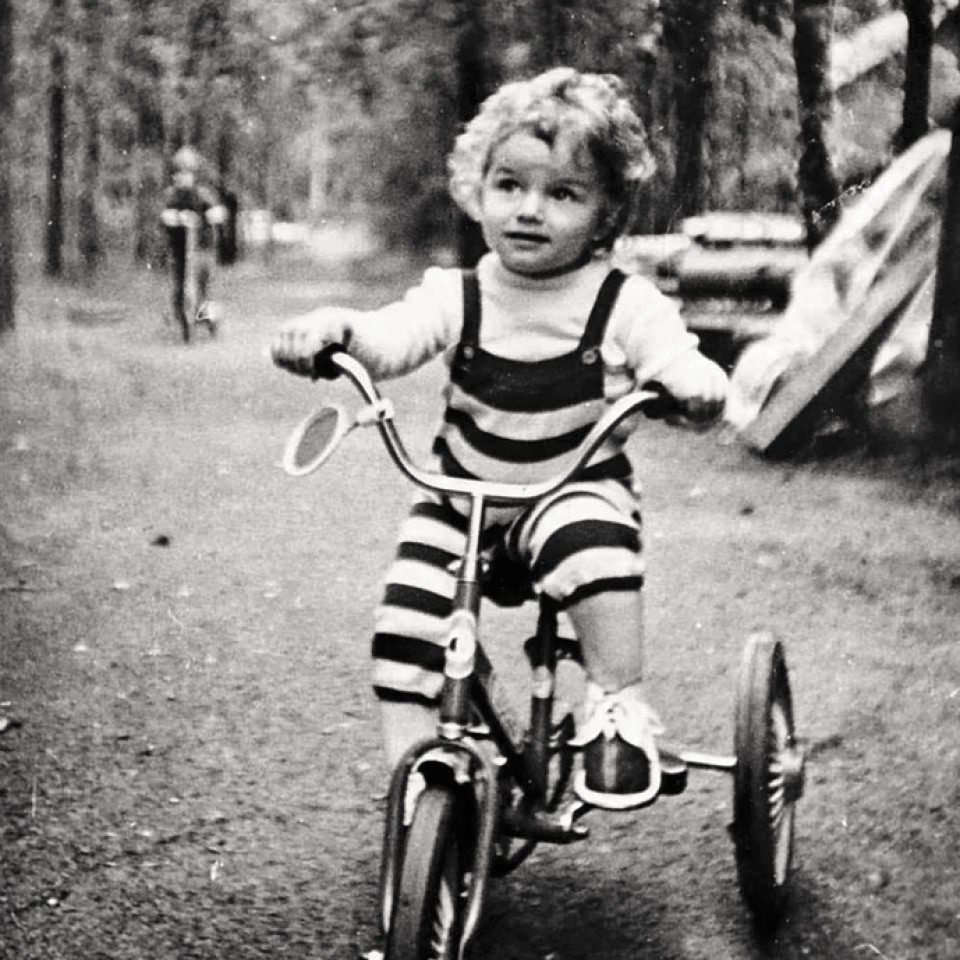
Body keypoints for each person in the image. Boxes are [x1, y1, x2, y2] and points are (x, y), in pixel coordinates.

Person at [271, 68, 728, 809]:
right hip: (460, 503)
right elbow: (390, 338)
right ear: (477, 188)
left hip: (569, 492)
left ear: (606, 214)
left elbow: (675, 359)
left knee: (595, 549)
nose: (529, 210)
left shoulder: (624, 302)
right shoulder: (458, 296)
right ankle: (418, 773)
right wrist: (338, 330)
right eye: (509, 185)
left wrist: (692, 382)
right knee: (405, 628)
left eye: (563, 194)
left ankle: (616, 704)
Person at [160, 146, 226, 338]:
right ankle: (182, 317)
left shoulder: (203, 194)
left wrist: (210, 216)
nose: (182, 177)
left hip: (202, 248)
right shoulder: (171, 195)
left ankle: (209, 318)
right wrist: (177, 218)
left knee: (204, 286)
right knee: (179, 287)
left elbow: (217, 212)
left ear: (194, 174)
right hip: (180, 251)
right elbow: (164, 215)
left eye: (186, 172)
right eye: (178, 173)